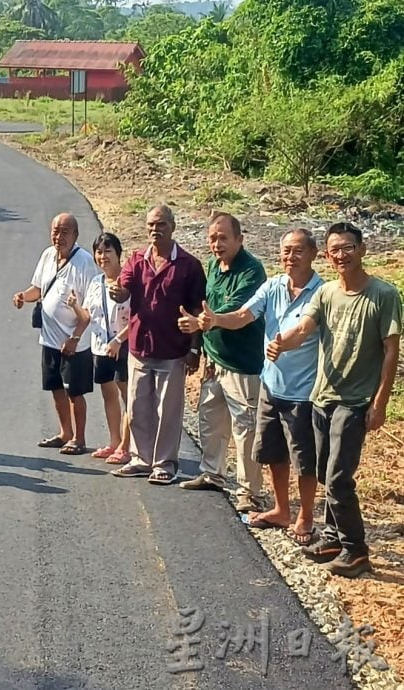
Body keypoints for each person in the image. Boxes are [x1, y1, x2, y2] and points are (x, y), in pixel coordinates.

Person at [267, 222, 401, 578]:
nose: (341, 255)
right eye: (334, 250)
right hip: (322, 396)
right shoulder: (326, 293)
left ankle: (356, 550)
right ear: (327, 256)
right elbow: (304, 328)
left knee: (340, 478)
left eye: (347, 247)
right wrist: (282, 342)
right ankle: (331, 537)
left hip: (354, 401)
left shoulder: (383, 295)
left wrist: (380, 403)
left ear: (362, 249)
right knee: (327, 472)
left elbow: (391, 352)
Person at [188, 228, 322, 543]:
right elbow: (244, 315)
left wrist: (283, 344)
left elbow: (303, 329)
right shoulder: (273, 285)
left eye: (298, 250)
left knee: (303, 458)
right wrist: (216, 320)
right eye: (286, 250)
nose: (291, 257)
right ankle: (280, 509)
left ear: (314, 254)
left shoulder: (322, 292)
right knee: (273, 452)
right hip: (270, 385)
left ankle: (305, 516)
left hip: (303, 392)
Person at [108, 205, 206, 485]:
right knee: (138, 407)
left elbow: (198, 310)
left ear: (173, 227)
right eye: (151, 224)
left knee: (168, 410)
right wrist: (118, 292)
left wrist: (194, 349)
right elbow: (123, 289)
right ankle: (141, 459)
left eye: (161, 224)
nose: (155, 229)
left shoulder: (189, 265)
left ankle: (164, 463)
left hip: (173, 349)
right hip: (140, 347)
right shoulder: (138, 259)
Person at [177, 213, 267, 512]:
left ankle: (249, 491)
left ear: (240, 239)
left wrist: (208, 322)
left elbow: (236, 311)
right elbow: (207, 308)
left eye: (223, 238)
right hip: (215, 361)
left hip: (243, 365)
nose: (217, 244)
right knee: (211, 421)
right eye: (213, 238)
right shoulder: (214, 267)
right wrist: (200, 347)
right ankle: (213, 473)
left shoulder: (252, 271)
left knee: (246, 428)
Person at [13, 213, 98, 455]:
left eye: (64, 232)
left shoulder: (84, 263)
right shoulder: (48, 256)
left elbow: (90, 308)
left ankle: (79, 439)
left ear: (76, 235)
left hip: (74, 342)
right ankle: (65, 433)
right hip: (50, 340)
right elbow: (38, 288)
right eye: (55, 231)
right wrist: (22, 297)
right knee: (56, 388)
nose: (58, 237)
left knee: (75, 392)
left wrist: (76, 337)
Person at [66, 232, 132, 463]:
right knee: (108, 395)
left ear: (118, 254)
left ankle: (125, 446)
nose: (103, 256)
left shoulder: (128, 281)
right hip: (100, 347)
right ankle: (114, 442)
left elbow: (139, 318)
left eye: (108, 251)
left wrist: (119, 340)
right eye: (99, 251)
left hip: (122, 346)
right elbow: (87, 316)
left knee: (128, 396)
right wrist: (74, 306)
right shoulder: (96, 282)